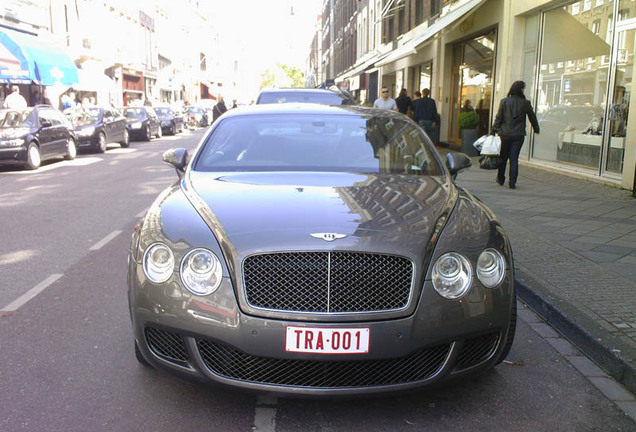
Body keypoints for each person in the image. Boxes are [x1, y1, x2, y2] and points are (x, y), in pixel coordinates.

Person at [492, 80, 540, 190]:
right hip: (518, 135)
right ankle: (512, 182)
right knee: (514, 159)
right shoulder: (525, 103)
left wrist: (493, 129)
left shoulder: (504, 101)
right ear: (521, 90)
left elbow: (499, 117)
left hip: (505, 134)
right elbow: (532, 117)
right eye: (523, 88)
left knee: (503, 157)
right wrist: (536, 129)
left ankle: (500, 178)